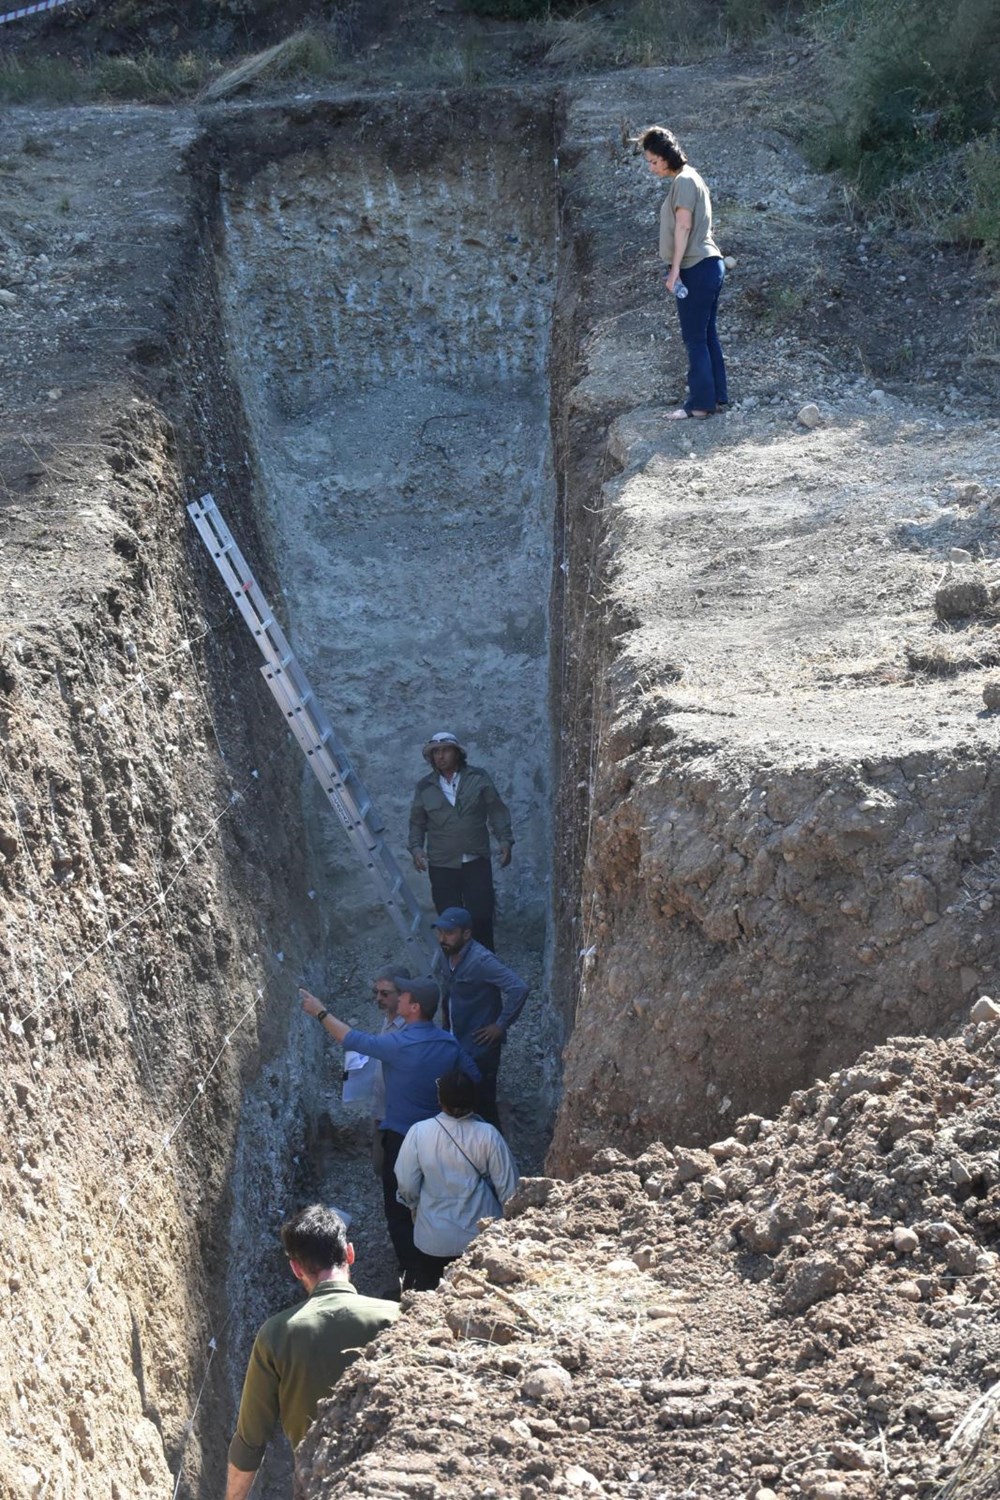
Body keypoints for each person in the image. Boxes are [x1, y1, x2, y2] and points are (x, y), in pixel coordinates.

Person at [299, 976, 480, 1289]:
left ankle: (414, 1282)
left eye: (403, 997)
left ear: (414, 1007)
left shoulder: (399, 1044)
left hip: (402, 1139)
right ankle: (443, 1273)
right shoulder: (448, 1044)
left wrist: (320, 1012)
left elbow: (351, 1039)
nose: (397, 1001)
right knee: (435, 1203)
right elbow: (473, 1076)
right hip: (443, 1137)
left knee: (399, 1212)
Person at [225, 1204, 398, 1499]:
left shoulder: (275, 1335)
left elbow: (250, 1442)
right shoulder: (398, 1317)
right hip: (390, 1482)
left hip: (318, 1487)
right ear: (350, 1253)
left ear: (296, 1268)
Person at [395, 1069, 520, 1290]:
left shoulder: (419, 1132)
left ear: (439, 1098)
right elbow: (510, 1189)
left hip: (433, 1239)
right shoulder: (488, 1134)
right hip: (480, 1238)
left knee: (431, 1296)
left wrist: (414, 1206)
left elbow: (406, 1183)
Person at [641, 125, 728, 421]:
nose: (652, 168)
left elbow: (684, 226)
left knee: (694, 338)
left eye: (654, 161)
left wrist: (675, 269)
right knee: (706, 333)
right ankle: (715, 396)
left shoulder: (684, 181)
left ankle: (699, 405)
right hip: (708, 265)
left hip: (696, 266)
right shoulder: (691, 178)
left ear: (666, 156)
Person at [408, 730, 513, 951]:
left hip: (476, 860)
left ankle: (484, 963)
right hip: (442, 864)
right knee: (449, 920)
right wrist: (416, 848)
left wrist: (505, 840)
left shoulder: (478, 778)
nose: (440, 756)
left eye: (445, 750)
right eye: (435, 752)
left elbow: (496, 810)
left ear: (457, 753)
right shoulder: (425, 787)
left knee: (481, 915)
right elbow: (417, 821)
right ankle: (455, 966)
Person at [432, 907, 528, 1129]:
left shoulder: (481, 960)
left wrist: (500, 1025)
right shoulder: (447, 955)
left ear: (466, 934)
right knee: (461, 1102)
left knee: (483, 1104)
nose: (443, 938)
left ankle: (493, 1145)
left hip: (480, 1047)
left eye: (449, 933)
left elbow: (519, 988)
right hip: (457, 1040)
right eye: (440, 932)